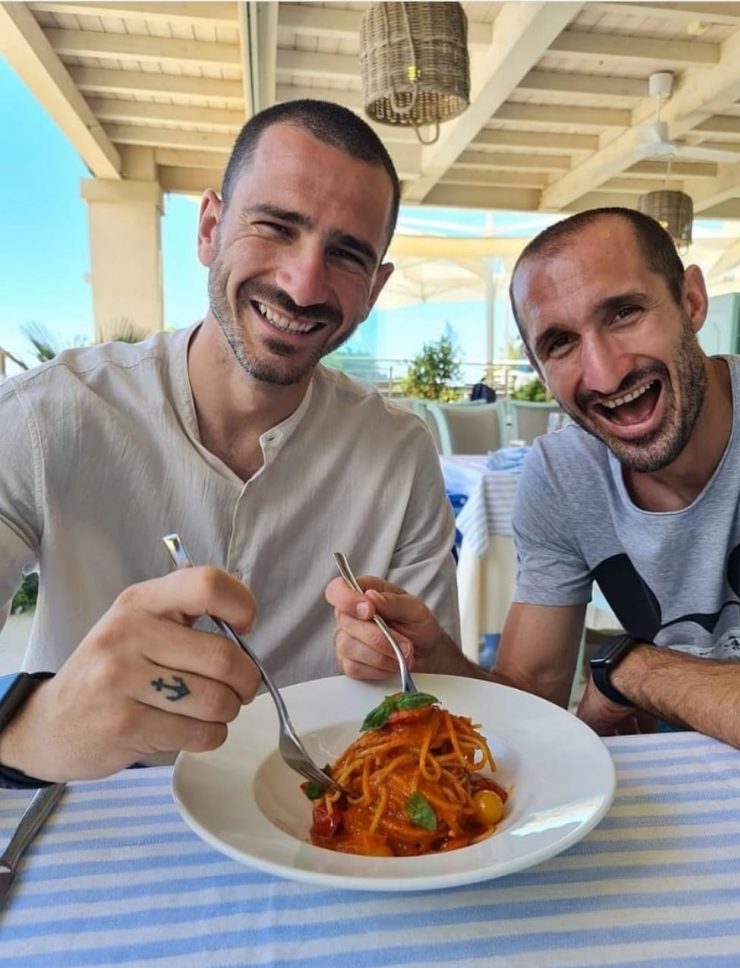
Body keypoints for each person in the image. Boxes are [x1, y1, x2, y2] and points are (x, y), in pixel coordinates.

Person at [0, 99, 458, 786]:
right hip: (94, 814)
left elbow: (424, 686)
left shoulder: (399, 452)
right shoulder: (48, 414)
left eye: (346, 254)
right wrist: (37, 727)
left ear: (373, 290)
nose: (303, 283)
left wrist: (412, 659)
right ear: (210, 228)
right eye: (275, 227)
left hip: (319, 817)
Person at [328, 207, 740, 781]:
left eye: (625, 312)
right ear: (537, 366)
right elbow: (530, 698)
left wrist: (638, 672)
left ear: (691, 301)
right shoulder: (563, 476)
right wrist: (434, 657)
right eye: (560, 343)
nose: (606, 374)